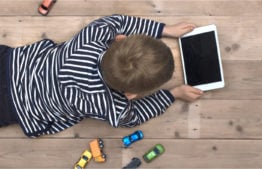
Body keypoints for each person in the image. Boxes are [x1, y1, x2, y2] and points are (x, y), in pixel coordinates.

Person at [0, 14, 203, 137]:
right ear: (130, 94)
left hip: (12, 62)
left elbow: (119, 21)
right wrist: (173, 94)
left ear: (120, 39)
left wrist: (164, 29)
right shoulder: (112, 106)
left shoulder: (94, 35)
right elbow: (135, 116)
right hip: (16, 106)